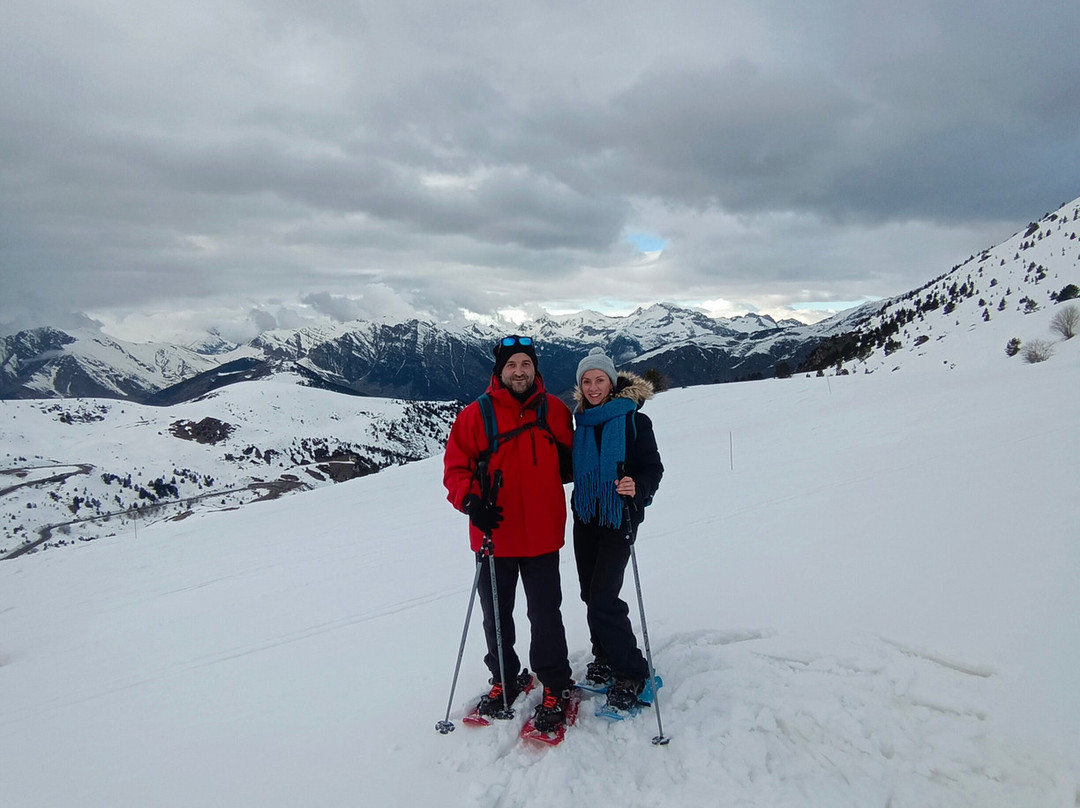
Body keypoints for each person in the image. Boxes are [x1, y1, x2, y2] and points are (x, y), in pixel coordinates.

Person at [443, 335, 576, 732]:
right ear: (499, 371)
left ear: (535, 369)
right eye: (512, 365)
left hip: (542, 534)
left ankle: (555, 683)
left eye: (525, 364)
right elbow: (455, 469)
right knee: (496, 617)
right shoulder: (475, 416)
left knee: (545, 615)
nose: (519, 371)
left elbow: (575, 459)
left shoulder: (554, 411)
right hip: (494, 535)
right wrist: (471, 501)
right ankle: (505, 677)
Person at [571, 347, 664, 714]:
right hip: (586, 516)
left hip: (619, 515)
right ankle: (605, 655)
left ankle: (632, 671)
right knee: (588, 593)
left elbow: (653, 468)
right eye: (587, 381)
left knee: (603, 597)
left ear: (611, 383)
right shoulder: (581, 423)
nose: (593, 387)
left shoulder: (634, 421)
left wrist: (637, 487)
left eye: (599, 380)